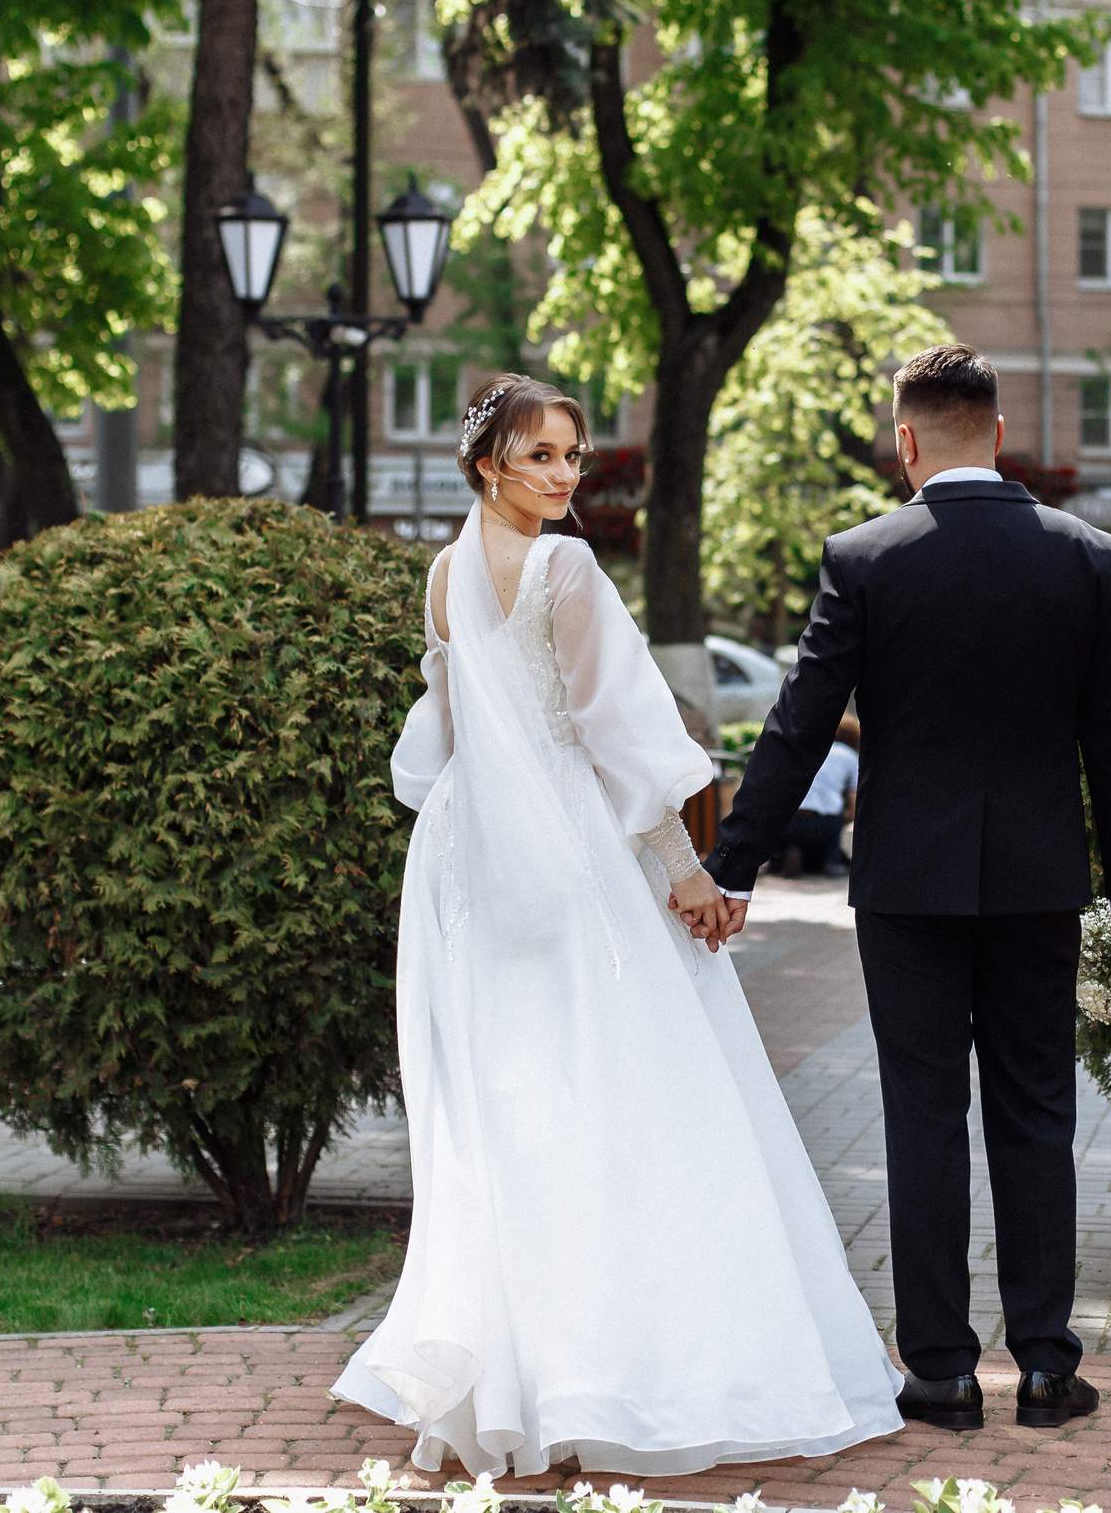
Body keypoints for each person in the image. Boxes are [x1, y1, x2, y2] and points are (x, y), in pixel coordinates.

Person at [332, 374, 903, 1478]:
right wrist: (688, 874)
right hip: (562, 850)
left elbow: (444, 730)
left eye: (573, 455)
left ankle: (530, 1369)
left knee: (516, 1098)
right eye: (541, 455)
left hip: (467, 857)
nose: (564, 475)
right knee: (627, 1087)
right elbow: (620, 733)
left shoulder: (445, 574)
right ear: (488, 462)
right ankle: (618, 1365)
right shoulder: (563, 569)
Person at [703, 343, 1111, 1434]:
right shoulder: (1086, 555)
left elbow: (799, 723)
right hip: (1041, 883)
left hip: (907, 886)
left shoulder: (864, 557)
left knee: (922, 1116)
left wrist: (734, 866)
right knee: (1037, 1113)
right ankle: (1046, 1368)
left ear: (904, 440)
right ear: (998, 433)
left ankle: (941, 1374)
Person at [777, 716, 859, 874]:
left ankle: (790, 851)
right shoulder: (849, 756)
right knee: (830, 833)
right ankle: (831, 861)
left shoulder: (803, 747)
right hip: (824, 823)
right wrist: (847, 817)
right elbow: (854, 802)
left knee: (787, 843)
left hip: (788, 821)